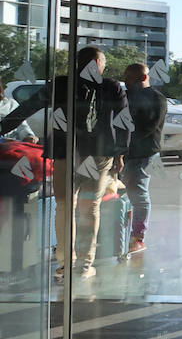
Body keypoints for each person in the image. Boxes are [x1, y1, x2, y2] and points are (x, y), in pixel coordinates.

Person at [0, 45, 128, 280]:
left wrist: (2, 127)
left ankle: (64, 265)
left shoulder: (59, 84)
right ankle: (84, 265)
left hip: (63, 152)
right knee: (90, 208)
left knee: (65, 207)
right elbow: (123, 121)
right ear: (99, 64)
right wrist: (120, 155)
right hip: (98, 154)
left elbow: (27, 108)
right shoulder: (111, 86)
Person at [122, 63, 167, 255]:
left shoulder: (156, 98)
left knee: (139, 195)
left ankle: (138, 238)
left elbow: (148, 126)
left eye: (129, 78)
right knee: (127, 194)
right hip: (131, 152)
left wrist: (122, 144)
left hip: (144, 153)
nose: (125, 82)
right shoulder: (127, 96)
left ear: (142, 78)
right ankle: (126, 234)